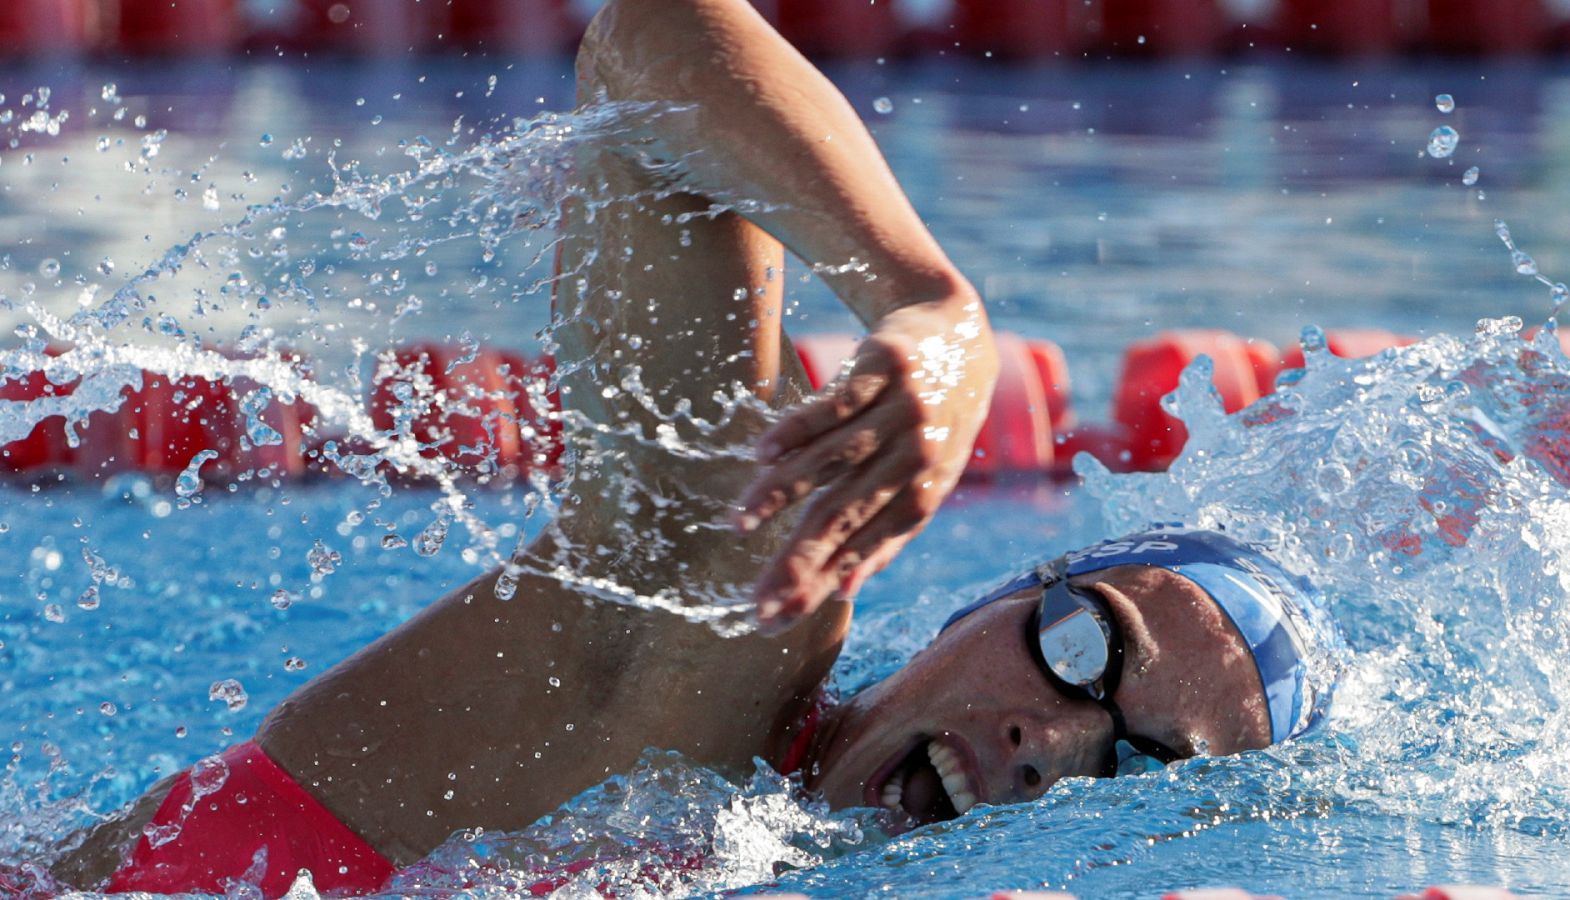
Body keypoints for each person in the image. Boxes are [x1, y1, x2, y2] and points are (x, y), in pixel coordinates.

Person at [49, 0, 1334, 895]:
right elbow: (651, 44)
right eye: (1085, 647)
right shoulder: (712, 646)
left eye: (1135, 767)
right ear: (1001, 599)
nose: (1050, 747)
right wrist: (930, 305)